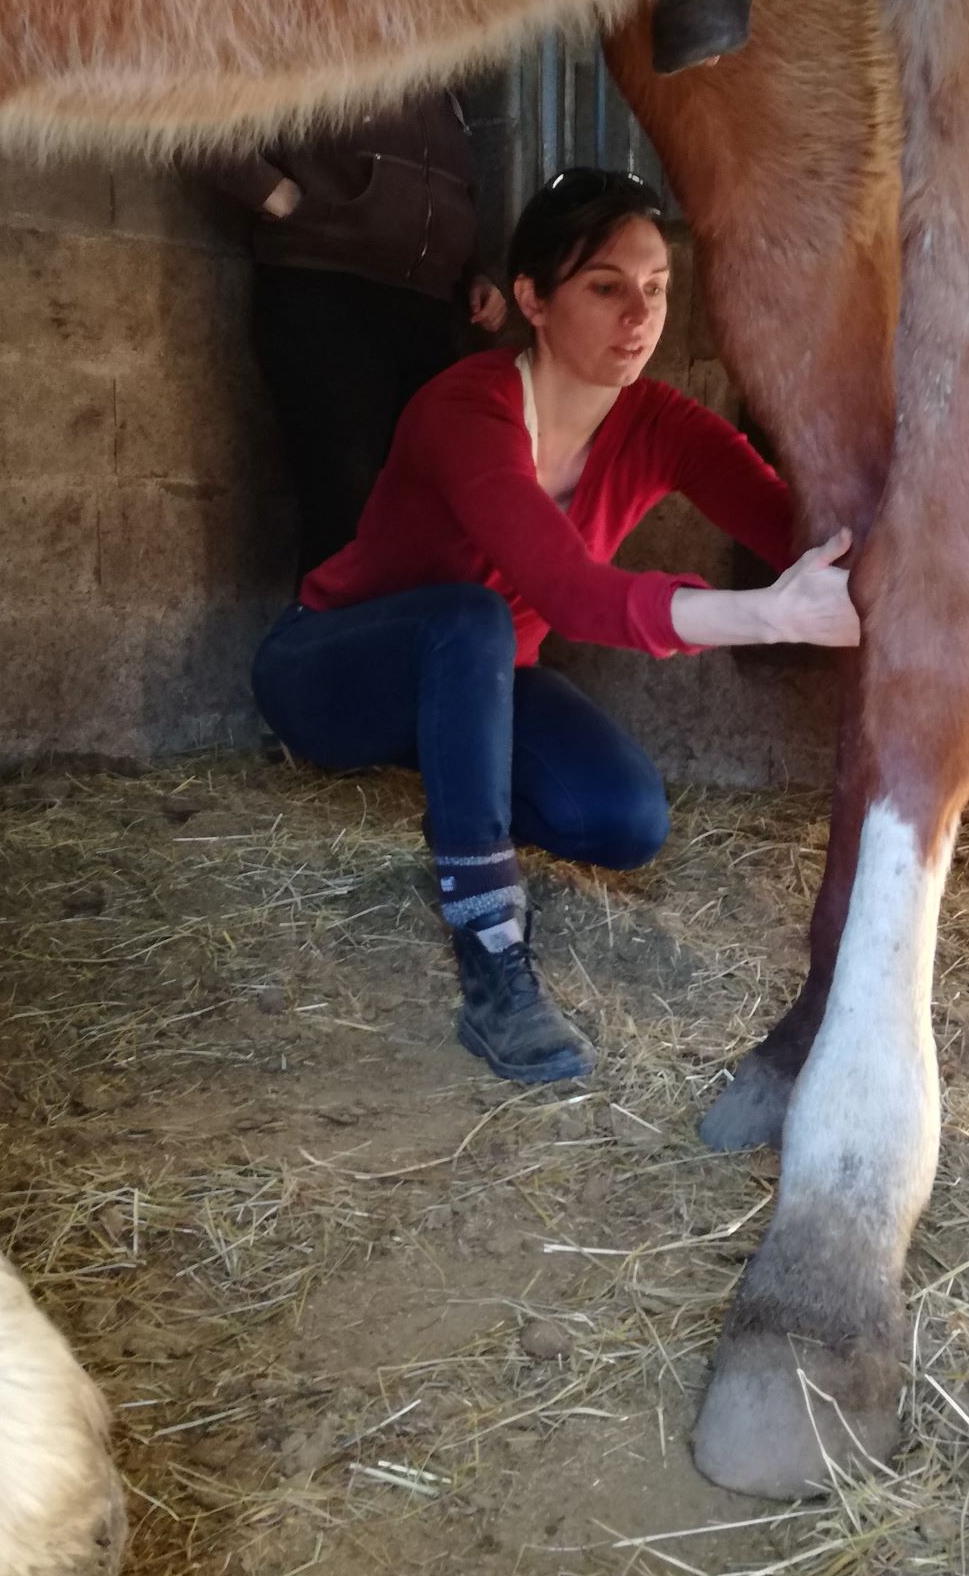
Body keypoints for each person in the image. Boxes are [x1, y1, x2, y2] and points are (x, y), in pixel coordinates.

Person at [251, 167, 860, 1085]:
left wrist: (898, 553)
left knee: (625, 821)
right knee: (473, 617)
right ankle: (493, 964)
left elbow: (795, 529)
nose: (641, 316)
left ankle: (462, 802)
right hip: (335, 668)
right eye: (606, 288)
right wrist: (768, 614)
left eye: (656, 288)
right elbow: (571, 593)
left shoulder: (663, 424)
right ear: (532, 298)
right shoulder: (468, 406)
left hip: (475, 685)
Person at [212, 95, 508, 577]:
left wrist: (475, 272)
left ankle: (398, 645)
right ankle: (324, 645)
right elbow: (193, 123)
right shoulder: (321, 42)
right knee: (343, 499)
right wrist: (281, 196)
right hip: (326, 285)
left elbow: (452, 198)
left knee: (429, 502)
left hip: (427, 305)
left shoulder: (446, 90)